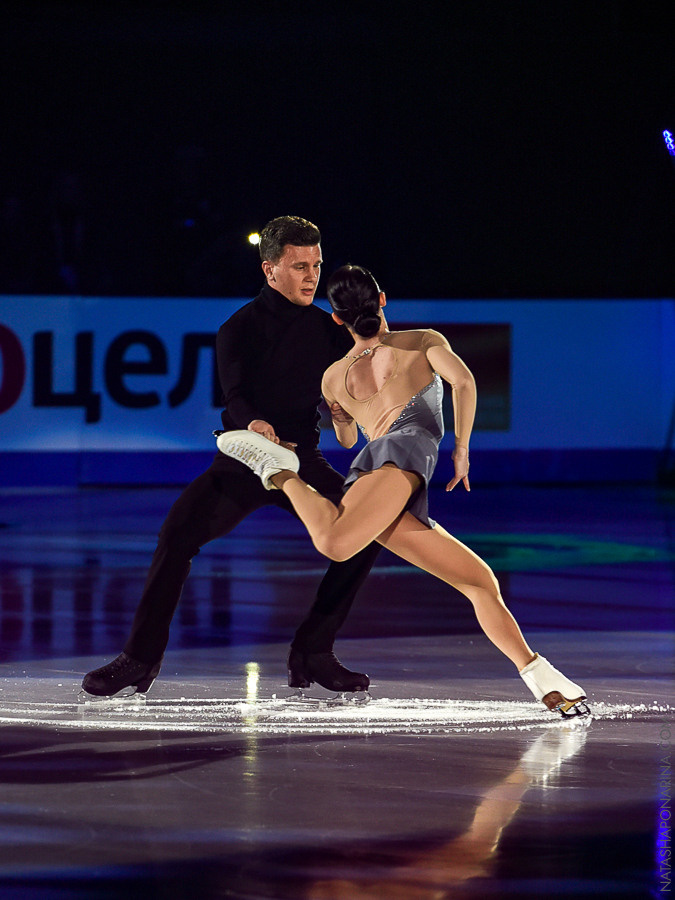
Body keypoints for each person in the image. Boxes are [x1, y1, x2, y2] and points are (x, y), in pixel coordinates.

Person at [217, 264, 589, 717]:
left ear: (337, 318)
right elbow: (465, 381)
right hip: (401, 460)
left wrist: (339, 415)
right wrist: (462, 450)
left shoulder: (333, 377)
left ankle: (540, 677)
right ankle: (279, 472)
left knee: (479, 582)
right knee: (337, 542)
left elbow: (348, 440)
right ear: (383, 299)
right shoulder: (424, 341)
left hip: (382, 473)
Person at [81, 218, 380, 700]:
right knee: (176, 536)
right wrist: (257, 426)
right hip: (245, 462)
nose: (311, 276)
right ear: (270, 269)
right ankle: (140, 657)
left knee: (366, 531)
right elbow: (236, 395)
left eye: (317, 265)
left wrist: (347, 411)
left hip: (300, 462)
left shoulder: (329, 332)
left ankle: (314, 651)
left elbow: (350, 394)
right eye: (299, 266)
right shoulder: (237, 328)